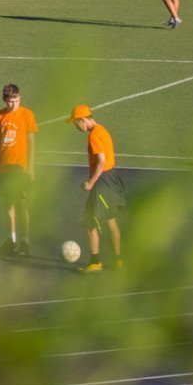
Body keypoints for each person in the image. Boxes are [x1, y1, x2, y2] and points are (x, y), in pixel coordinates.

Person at [69, 105, 124, 272]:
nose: (76, 127)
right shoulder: (102, 130)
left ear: (83, 120)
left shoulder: (93, 136)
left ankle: (95, 262)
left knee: (89, 222)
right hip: (112, 179)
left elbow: (101, 161)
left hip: (102, 182)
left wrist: (91, 183)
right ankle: (118, 260)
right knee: (111, 221)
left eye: (76, 123)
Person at [0, 83, 36, 257]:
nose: (13, 104)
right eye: (10, 101)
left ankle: (25, 241)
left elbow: (31, 141)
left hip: (20, 169)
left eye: (16, 100)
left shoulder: (27, 114)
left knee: (21, 204)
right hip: (4, 169)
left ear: (20, 98)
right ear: (4, 100)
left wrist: (31, 167)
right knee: (7, 205)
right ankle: (11, 240)